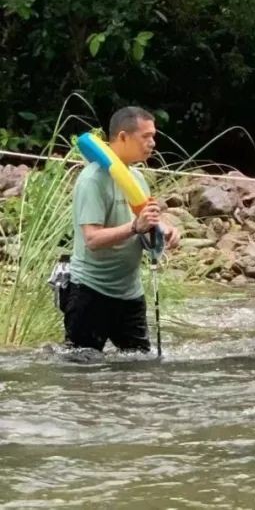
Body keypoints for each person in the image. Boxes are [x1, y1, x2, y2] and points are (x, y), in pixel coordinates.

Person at [65, 107, 179, 352]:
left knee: (140, 369)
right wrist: (134, 227)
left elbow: (146, 222)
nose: (153, 143)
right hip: (90, 291)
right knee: (80, 374)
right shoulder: (92, 180)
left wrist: (166, 230)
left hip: (129, 294)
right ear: (123, 137)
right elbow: (92, 240)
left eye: (153, 136)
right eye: (146, 136)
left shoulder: (137, 178)